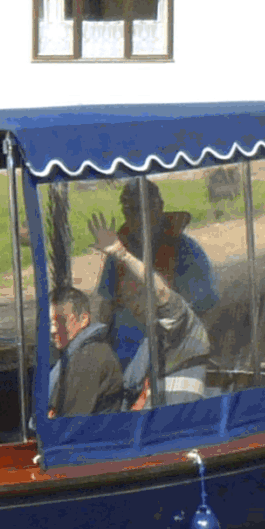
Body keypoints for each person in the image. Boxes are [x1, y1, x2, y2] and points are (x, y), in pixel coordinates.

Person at [91, 177, 218, 406]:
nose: (134, 216)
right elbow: (105, 309)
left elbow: (204, 310)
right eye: (128, 209)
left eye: (140, 208)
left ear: (158, 207)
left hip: (168, 367)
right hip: (125, 368)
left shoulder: (187, 252)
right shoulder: (116, 258)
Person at [48, 286, 125, 418]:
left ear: (83, 319)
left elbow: (69, 423)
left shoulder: (89, 358)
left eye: (60, 321)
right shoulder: (77, 353)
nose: (53, 330)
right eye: (49, 323)